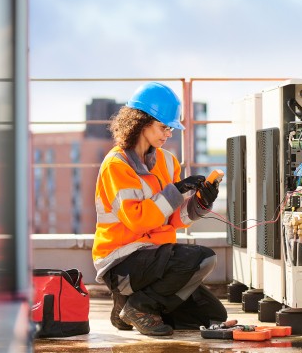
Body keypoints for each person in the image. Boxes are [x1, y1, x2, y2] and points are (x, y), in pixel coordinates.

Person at [91, 82, 227, 336]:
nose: (168, 134)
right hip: (122, 260)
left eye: (170, 128)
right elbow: (138, 221)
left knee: (213, 316)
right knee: (203, 258)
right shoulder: (116, 165)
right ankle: (139, 306)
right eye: (164, 127)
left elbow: (174, 220)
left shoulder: (167, 160)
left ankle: (127, 306)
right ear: (141, 123)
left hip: (156, 258)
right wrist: (175, 191)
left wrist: (201, 203)